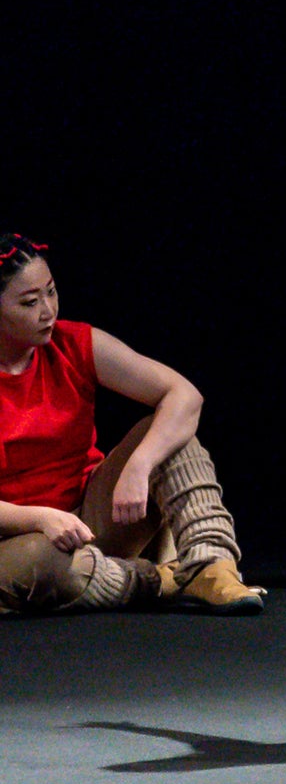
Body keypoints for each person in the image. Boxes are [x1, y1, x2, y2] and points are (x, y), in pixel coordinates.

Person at [0, 234, 263, 616]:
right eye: (29, 302)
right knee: (37, 560)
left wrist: (140, 464)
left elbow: (184, 395)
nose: (48, 311)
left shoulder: (71, 343)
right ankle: (158, 582)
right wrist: (39, 518)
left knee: (171, 438)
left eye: (51, 292)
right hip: (18, 539)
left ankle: (211, 566)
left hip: (89, 520)